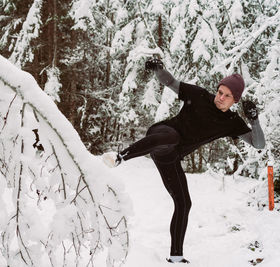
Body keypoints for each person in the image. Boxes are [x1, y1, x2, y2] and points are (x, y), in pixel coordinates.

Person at [104, 58, 265, 263]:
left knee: (184, 203)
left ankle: (176, 257)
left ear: (235, 100)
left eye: (227, 96)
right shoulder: (199, 95)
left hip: (170, 156)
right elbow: (171, 82)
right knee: (172, 137)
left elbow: (258, 144)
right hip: (161, 134)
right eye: (220, 92)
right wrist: (159, 69)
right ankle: (119, 157)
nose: (221, 97)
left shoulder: (232, 122)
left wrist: (254, 120)